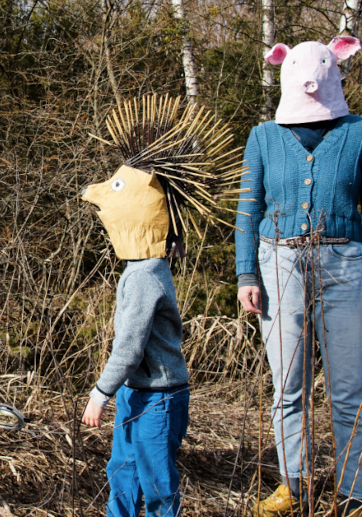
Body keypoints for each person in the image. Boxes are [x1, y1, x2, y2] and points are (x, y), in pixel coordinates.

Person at [235, 36, 362, 517]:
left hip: (347, 266)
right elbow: (248, 208)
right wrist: (246, 273)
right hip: (277, 263)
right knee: (287, 389)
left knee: (349, 392)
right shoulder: (263, 135)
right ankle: (293, 485)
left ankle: (355, 494)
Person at [78, 95, 245, 517]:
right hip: (140, 394)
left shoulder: (143, 277)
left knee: (156, 483)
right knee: (123, 470)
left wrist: (99, 395)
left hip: (158, 398)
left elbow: (130, 347)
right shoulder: (147, 268)